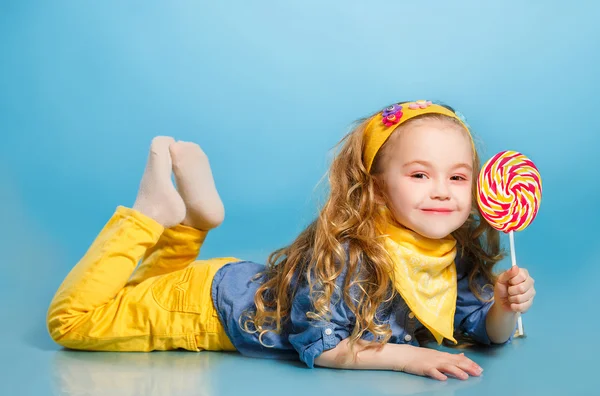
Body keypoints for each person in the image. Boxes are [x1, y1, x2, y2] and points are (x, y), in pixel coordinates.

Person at [47, 100, 536, 381]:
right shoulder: (353, 256)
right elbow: (320, 344)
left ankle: (193, 221)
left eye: (457, 177)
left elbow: (483, 332)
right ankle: (148, 216)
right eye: (419, 174)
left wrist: (503, 307)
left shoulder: (447, 256)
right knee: (73, 323)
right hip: (200, 309)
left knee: (142, 285)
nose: (440, 191)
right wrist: (409, 358)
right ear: (378, 188)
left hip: (230, 281)